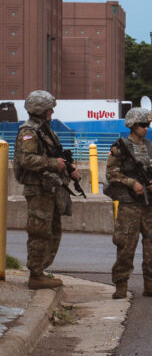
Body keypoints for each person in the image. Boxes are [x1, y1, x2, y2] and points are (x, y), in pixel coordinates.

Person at [13, 90, 80, 290]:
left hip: (50, 189)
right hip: (38, 190)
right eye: (49, 108)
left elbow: (56, 154)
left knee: (52, 231)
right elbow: (27, 160)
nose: (52, 111)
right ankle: (35, 275)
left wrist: (69, 167)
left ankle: (41, 270)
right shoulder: (29, 131)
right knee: (39, 232)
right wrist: (53, 164)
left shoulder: (45, 129)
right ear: (40, 109)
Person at [105, 107, 152, 299]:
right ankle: (121, 285)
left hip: (150, 205)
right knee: (126, 245)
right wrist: (131, 183)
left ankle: (151, 284)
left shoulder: (151, 147)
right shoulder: (120, 147)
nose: (146, 128)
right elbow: (111, 174)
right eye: (142, 125)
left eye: (147, 125)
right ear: (132, 125)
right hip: (129, 205)